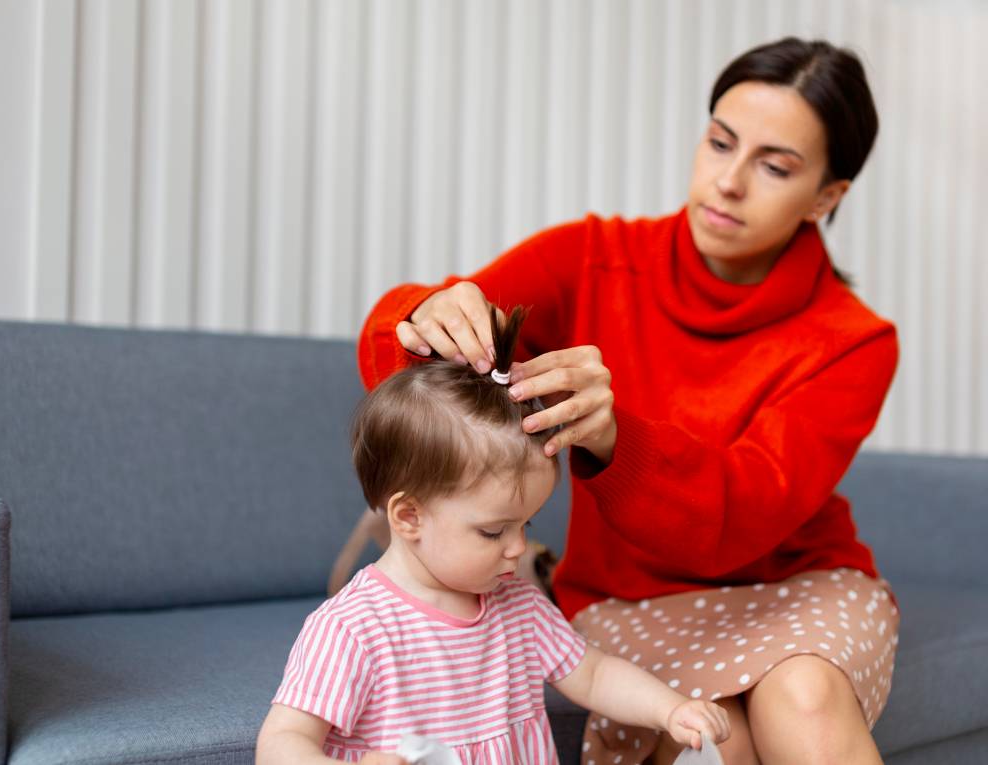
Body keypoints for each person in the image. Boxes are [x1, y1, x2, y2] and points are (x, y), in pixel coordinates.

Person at [352, 37, 900, 765]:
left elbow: (743, 514)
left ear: (827, 196)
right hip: (625, 597)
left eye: (774, 165)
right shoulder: (590, 257)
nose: (729, 181)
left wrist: (618, 440)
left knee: (801, 696)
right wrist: (426, 314)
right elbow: (398, 362)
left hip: (800, 584)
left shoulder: (853, 341)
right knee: (720, 741)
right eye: (719, 143)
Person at [256, 306, 731, 764]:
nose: (519, 547)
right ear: (408, 517)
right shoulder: (354, 630)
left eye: (526, 524)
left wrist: (670, 709)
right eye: (492, 531)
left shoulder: (518, 606)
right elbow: (283, 741)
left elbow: (595, 674)